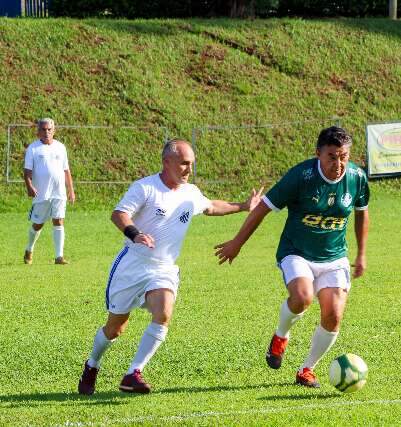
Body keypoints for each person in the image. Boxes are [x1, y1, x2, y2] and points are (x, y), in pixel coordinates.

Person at [77, 139, 263, 395]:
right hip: (133, 265)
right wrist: (136, 233)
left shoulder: (190, 193)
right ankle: (92, 365)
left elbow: (211, 207)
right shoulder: (145, 188)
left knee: (164, 312)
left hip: (163, 268)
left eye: (192, 164)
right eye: (184, 163)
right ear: (167, 162)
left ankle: (133, 373)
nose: (189, 169)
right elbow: (119, 213)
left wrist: (243, 206)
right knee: (115, 328)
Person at [215, 126, 370, 388]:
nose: (339, 163)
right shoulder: (301, 176)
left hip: (334, 257)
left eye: (343, 156)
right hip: (296, 251)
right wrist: (237, 243)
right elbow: (263, 208)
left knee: (333, 316)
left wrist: (362, 253)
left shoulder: (356, 177)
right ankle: (280, 336)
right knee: (302, 297)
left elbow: (362, 212)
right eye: (332, 156)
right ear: (318, 153)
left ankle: (307, 369)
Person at [23, 118, 76, 265]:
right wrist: (29, 186)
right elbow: (27, 171)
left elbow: (66, 170)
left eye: (49, 129)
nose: (46, 132)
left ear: (54, 130)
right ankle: (29, 249)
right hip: (41, 193)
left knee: (58, 221)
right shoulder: (33, 148)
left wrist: (71, 190)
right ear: (38, 131)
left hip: (59, 192)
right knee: (38, 224)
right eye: (43, 129)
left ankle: (59, 257)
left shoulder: (61, 147)